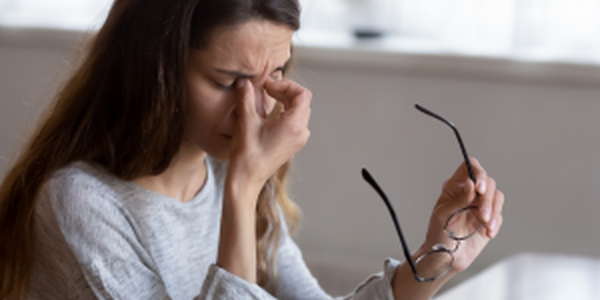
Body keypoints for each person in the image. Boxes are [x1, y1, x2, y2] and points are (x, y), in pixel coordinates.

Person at [0, 0, 505, 299]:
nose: (255, 108)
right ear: (156, 70)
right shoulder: (80, 202)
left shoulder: (224, 175)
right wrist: (244, 187)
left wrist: (436, 256)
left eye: (275, 76)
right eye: (229, 81)